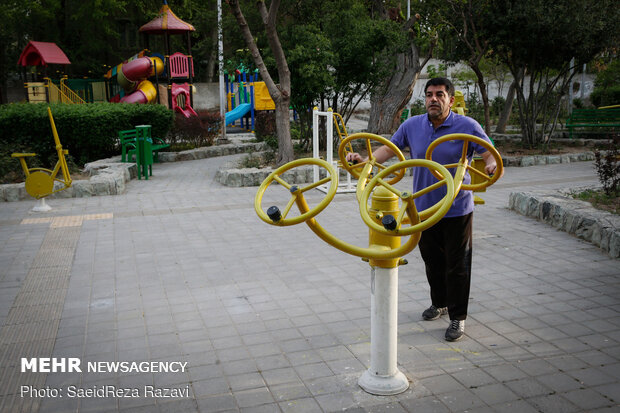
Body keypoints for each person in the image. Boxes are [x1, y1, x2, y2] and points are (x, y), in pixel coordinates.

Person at [347, 77, 502, 341]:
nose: (433, 99)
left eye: (439, 95)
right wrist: (365, 161)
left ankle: (457, 317)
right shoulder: (412, 125)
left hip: (456, 208)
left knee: (457, 264)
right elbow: (388, 150)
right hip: (422, 208)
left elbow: (488, 152)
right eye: (429, 94)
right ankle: (440, 303)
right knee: (432, 260)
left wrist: (490, 164)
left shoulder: (467, 126)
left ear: (450, 100)